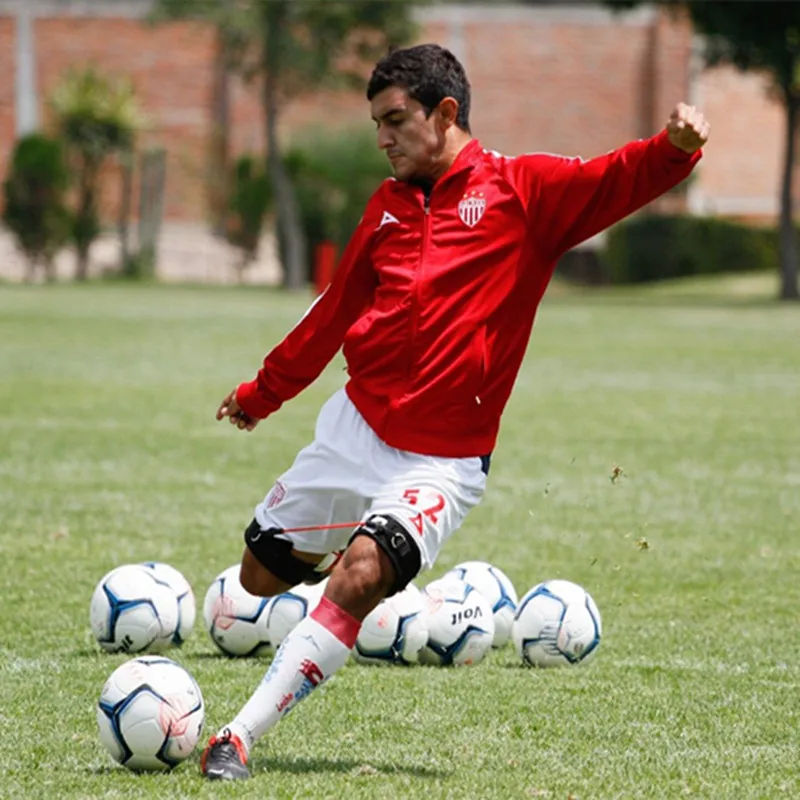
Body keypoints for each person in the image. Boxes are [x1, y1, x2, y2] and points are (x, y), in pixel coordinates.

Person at [200, 42, 709, 780]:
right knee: (256, 579)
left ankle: (237, 737)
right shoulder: (386, 207)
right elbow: (333, 313)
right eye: (377, 124)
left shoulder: (521, 192)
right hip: (354, 430)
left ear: (445, 113)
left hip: (441, 461)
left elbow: (613, 179)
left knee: (361, 574)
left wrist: (675, 149)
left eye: (394, 120)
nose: (382, 138)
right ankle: (360, 562)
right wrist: (261, 393)